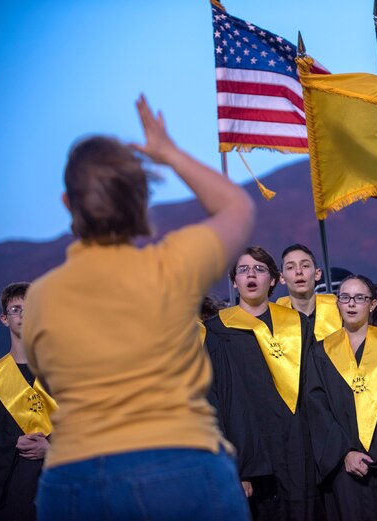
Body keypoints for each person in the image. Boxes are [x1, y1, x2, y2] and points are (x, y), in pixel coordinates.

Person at [21, 96, 254, 520]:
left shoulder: (39, 297)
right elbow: (236, 205)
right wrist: (167, 152)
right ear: (141, 203)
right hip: (182, 466)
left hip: (71, 481)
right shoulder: (173, 265)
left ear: (67, 204)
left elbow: (48, 380)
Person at [204, 246, 318, 521]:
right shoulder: (218, 331)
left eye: (259, 269)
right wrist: (238, 467)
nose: (251, 275)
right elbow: (215, 403)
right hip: (251, 456)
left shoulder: (298, 326)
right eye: (243, 270)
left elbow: (314, 392)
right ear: (234, 281)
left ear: (274, 280)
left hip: (299, 450)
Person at [306, 275, 377, 520]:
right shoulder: (321, 352)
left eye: (360, 298)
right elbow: (318, 410)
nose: (351, 304)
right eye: (345, 297)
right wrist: (346, 452)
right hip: (344, 468)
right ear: (337, 303)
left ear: (372, 304)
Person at [0, 283, 57, 521]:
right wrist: (12, 442)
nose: (24, 315)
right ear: (4, 319)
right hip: (15, 489)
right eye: (16, 309)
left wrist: (53, 448)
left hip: (63, 482)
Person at [276, 244, 341, 341]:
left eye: (305, 266)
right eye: (290, 267)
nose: (298, 271)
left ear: (317, 274)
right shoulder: (273, 317)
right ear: (282, 278)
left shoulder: (340, 310)